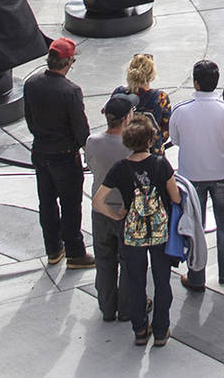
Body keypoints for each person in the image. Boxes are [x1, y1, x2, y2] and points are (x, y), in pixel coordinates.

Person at [94, 112, 182, 348]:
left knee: (135, 281)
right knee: (162, 281)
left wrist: (117, 215)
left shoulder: (119, 168)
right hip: (159, 230)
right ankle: (161, 330)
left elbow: (97, 201)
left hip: (132, 233)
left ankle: (140, 330)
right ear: (151, 139)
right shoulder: (161, 164)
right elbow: (175, 197)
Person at [167, 58, 224, 289]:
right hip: (222, 172)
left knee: (194, 226)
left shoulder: (180, 111)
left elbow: (176, 139)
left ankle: (196, 275)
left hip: (192, 177)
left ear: (196, 83)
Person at [24, 38, 94, 271]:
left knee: (47, 202)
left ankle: (53, 249)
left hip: (40, 151)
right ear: (68, 62)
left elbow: (30, 120)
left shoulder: (31, 84)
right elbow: (81, 131)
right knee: (71, 204)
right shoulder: (71, 91)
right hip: (64, 156)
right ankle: (75, 253)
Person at [85, 92, 138, 321]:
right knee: (128, 263)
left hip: (100, 210)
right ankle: (126, 309)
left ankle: (107, 308)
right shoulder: (131, 148)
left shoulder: (92, 142)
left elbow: (89, 164)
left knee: (104, 261)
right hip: (126, 211)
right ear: (127, 118)